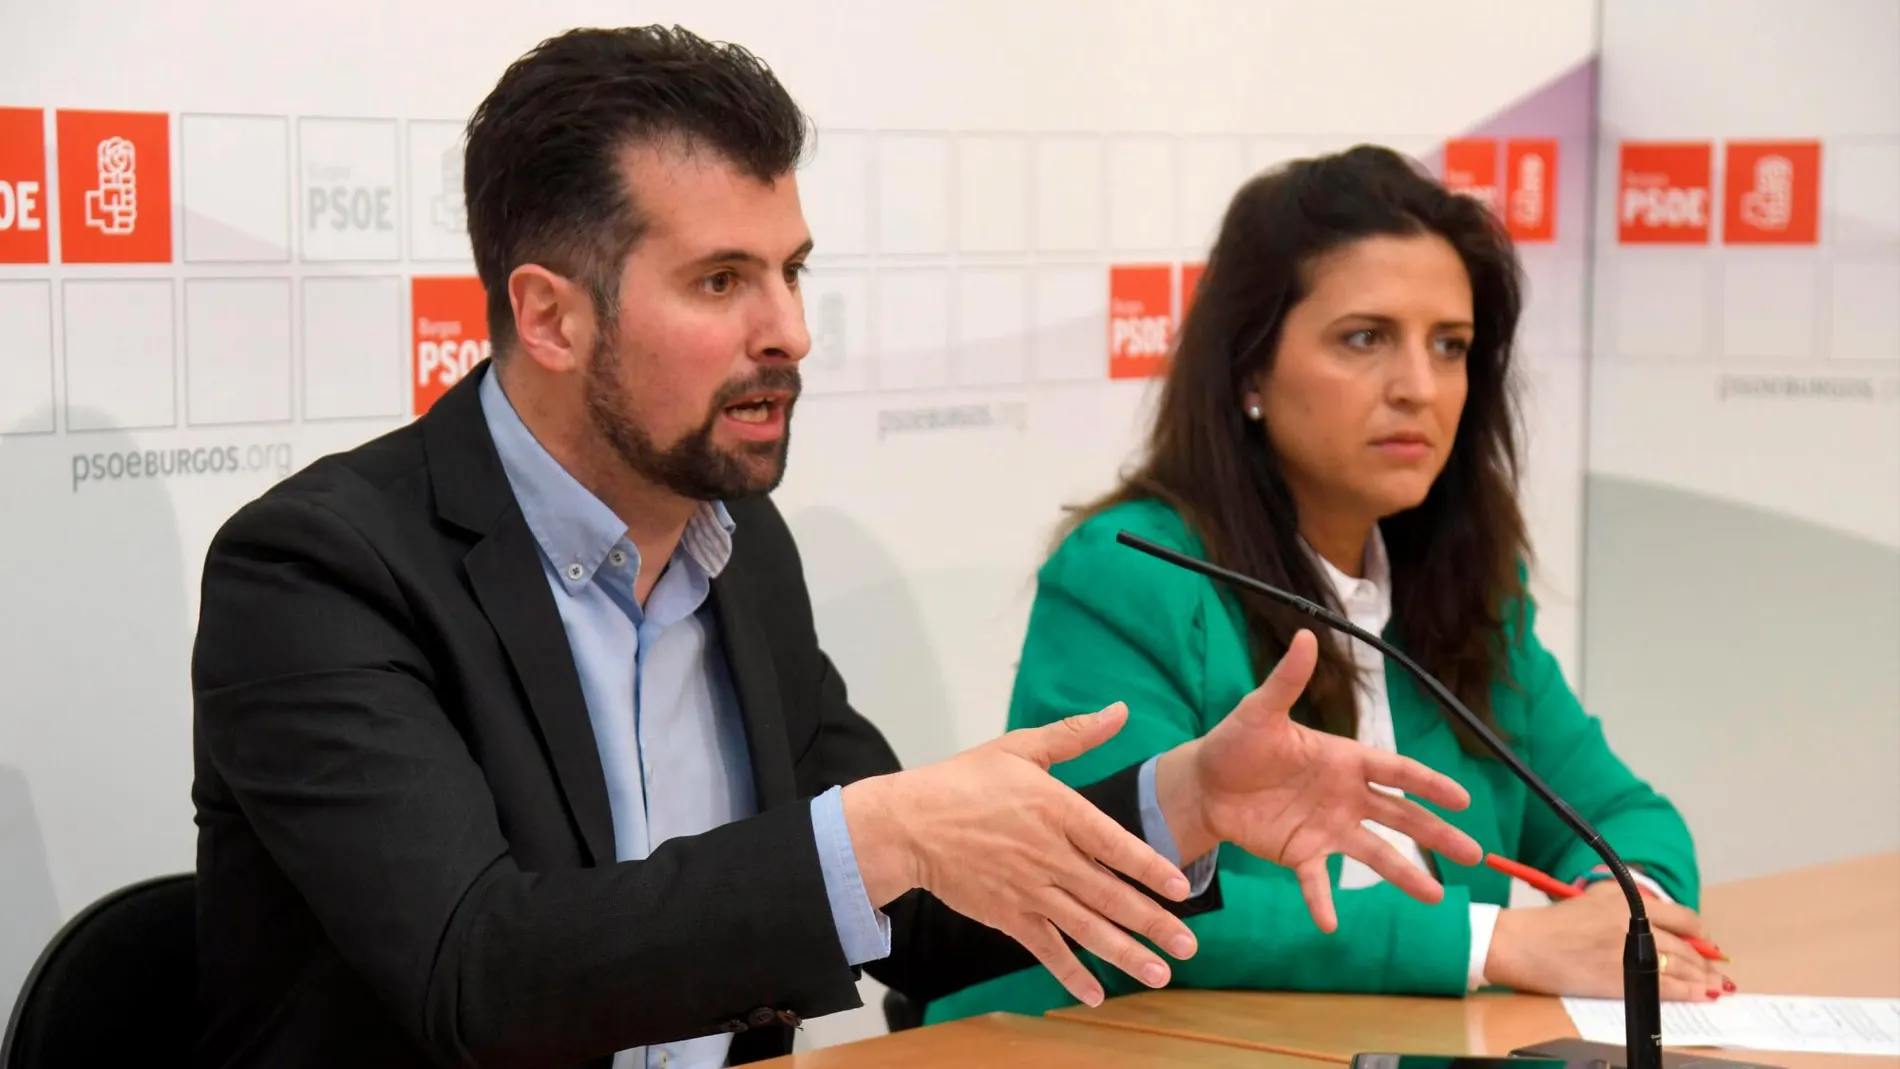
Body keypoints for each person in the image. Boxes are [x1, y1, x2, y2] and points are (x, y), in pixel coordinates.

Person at [187, 31, 1485, 1069]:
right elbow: (478, 972)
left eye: (794, 271)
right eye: (720, 282)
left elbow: (915, 912)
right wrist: (874, 835)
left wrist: (1180, 803)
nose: (790, 330)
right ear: (551, 317)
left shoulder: (740, 548)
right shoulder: (321, 573)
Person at [923, 145, 1730, 1028]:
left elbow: (1619, 814)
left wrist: (1624, 909)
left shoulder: (1471, 588)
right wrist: (1494, 942)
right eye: (1364, 338)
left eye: (1449, 346)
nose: (1418, 388)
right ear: (1251, 372)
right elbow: (1130, 888)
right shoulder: (1134, 573)